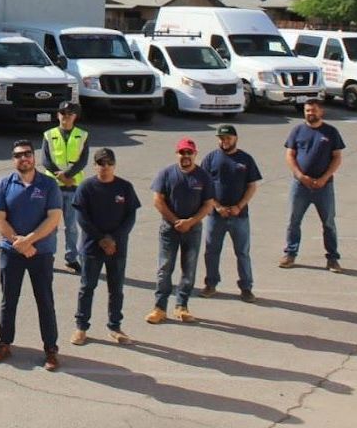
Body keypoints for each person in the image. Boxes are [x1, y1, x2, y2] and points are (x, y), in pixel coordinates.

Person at [0, 139, 64, 372]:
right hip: (11, 253)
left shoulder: (49, 185)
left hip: (40, 253)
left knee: (45, 301)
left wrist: (29, 241)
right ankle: (4, 344)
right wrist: (17, 243)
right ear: (14, 160)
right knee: (8, 300)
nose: (24, 158)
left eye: (28, 154)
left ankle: (50, 349)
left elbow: (53, 218)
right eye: (19, 155)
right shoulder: (3, 184)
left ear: (34, 157)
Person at [71, 147, 141, 346]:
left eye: (109, 163)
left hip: (117, 247)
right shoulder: (86, 187)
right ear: (95, 165)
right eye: (101, 163)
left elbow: (130, 217)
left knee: (116, 288)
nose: (105, 167)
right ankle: (81, 327)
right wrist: (101, 239)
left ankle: (115, 326)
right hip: (93, 247)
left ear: (115, 165)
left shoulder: (125, 187)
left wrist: (114, 239)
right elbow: (82, 219)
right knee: (87, 287)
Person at [147, 137, 214, 324]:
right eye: (182, 152)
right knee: (165, 267)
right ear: (177, 154)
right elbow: (157, 200)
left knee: (189, 268)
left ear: (195, 154)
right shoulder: (166, 174)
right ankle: (159, 308)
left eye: (189, 153)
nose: (185, 156)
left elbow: (208, 204)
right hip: (169, 229)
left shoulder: (203, 177)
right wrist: (176, 221)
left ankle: (182, 306)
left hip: (192, 230)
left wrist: (191, 222)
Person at [280, 98, 346, 273]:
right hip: (300, 186)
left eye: (314, 110)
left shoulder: (331, 132)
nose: (310, 113)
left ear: (321, 111)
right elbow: (290, 155)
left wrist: (325, 178)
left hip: (324, 186)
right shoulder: (297, 131)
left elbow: (337, 158)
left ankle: (332, 259)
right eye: (307, 110)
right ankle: (290, 254)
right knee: (293, 221)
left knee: (329, 223)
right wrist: (300, 176)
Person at [199, 124, 262, 302]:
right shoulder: (211, 158)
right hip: (215, 216)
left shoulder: (246, 159)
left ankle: (246, 288)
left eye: (227, 138)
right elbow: (204, 186)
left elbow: (251, 186)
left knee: (242, 252)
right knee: (211, 251)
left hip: (239, 215)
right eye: (221, 138)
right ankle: (211, 284)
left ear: (235, 138)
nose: (224, 141)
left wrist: (239, 206)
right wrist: (217, 206)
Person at [41, 100, 89, 273]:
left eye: (69, 114)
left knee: (72, 227)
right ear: (58, 115)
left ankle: (71, 258)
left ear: (75, 116)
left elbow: (83, 160)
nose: (65, 117)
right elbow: (45, 160)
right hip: (53, 188)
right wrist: (59, 175)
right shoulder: (49, 134)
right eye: (62, 113)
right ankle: (48, 256)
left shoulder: (82, 135)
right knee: (50, 226)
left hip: (73, 187)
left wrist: (68, 175)